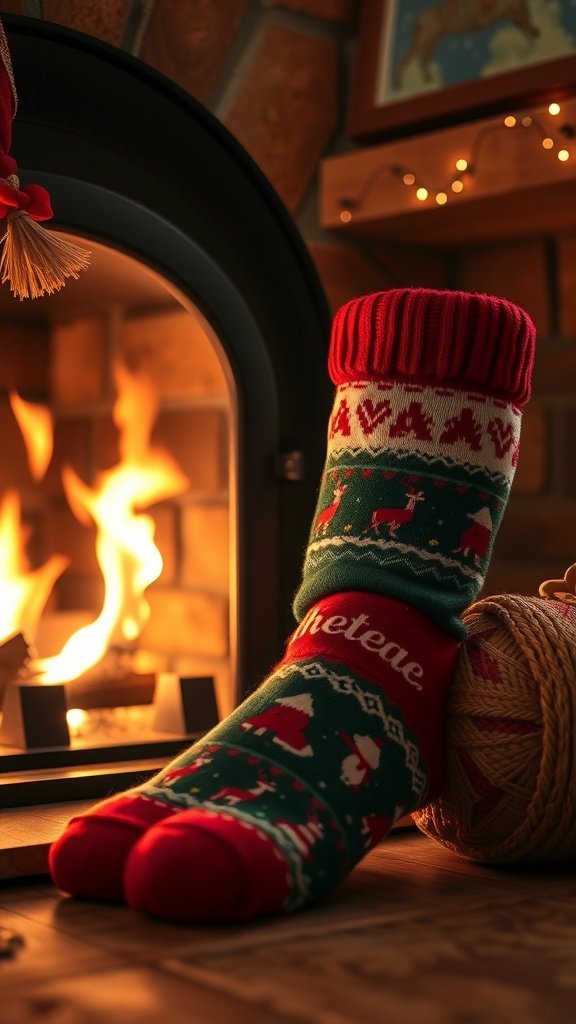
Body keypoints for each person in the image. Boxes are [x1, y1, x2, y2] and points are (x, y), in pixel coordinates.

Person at [49, 287, 535, 924]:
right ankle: (357, 653)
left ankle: (400, 660)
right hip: (337, 658)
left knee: (176, 863)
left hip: (406, 667)